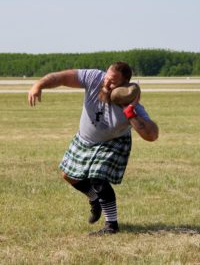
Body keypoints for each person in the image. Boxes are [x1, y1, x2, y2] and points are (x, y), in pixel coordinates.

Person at [28, 61, 159, 236]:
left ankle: (111, 225)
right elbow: (62, 77)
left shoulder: (131, 105)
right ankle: (94, 199)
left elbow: (152, 135)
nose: (107, 83)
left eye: (113, 82)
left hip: (112, 142)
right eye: (107, 77)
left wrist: (129, 112)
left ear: (125, 84)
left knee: (98, 177)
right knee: (68, 175)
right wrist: (39, 85)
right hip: (85, 138)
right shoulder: (94, 78)